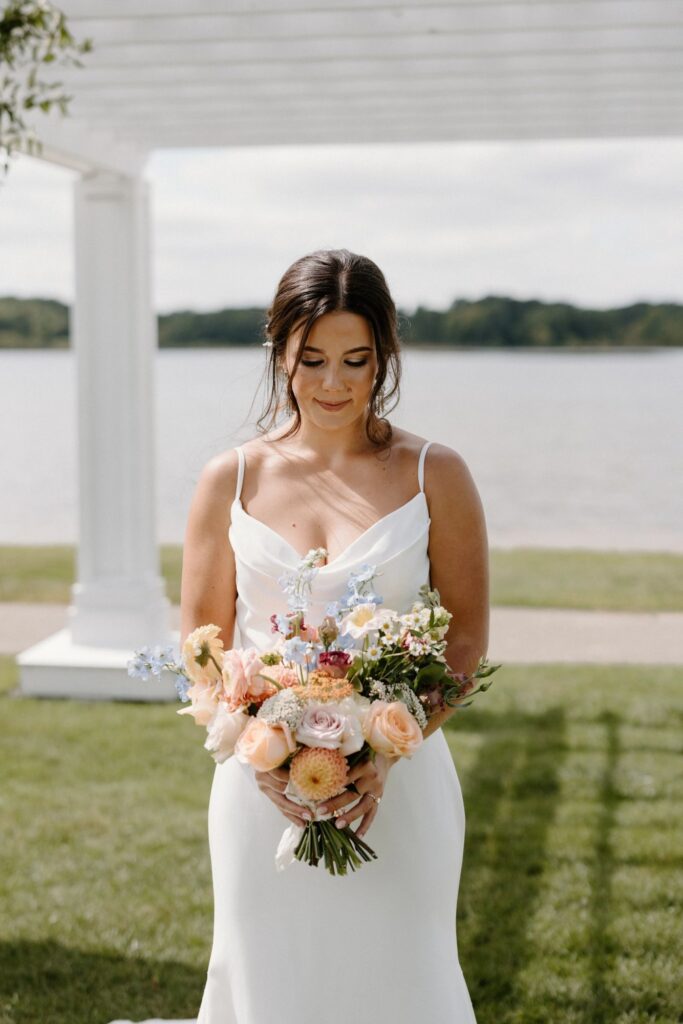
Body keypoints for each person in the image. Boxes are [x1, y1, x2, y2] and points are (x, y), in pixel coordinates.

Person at [119, 247, 489, 1024]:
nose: (333, 382)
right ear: (279, 352)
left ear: (383, 355)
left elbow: (462, 644)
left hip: (401, 790)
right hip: (261, 794)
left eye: (356, 359)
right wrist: (260, 748)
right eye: (311, 358)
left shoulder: (435, 473)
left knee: (403, 980)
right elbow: (201, 641)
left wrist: (382, 751)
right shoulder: (233, 476)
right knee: (268, 982)